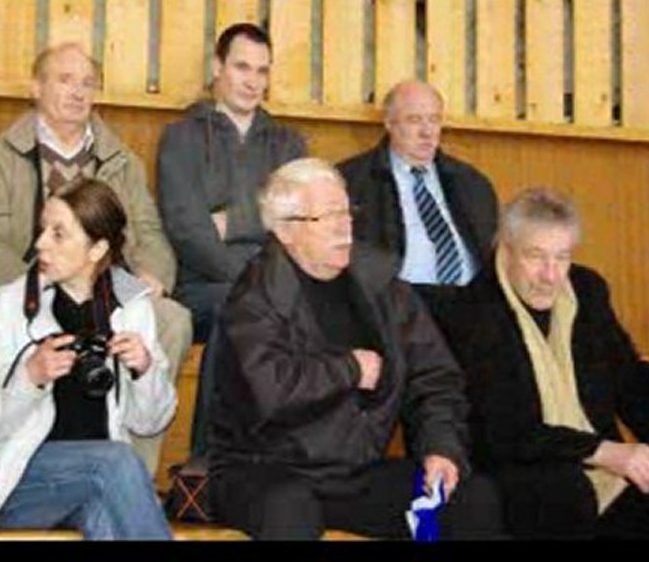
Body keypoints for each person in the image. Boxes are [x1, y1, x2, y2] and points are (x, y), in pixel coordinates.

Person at [208, 158, 503, 540]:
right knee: (290, 510)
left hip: (355, 474)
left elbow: (434, 377)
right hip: (266, 468)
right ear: (286, 230)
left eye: (346, 212)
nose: (344, 227)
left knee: (469, 500)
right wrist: (349, 369)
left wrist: (440, 447)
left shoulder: (382, 285)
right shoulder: (254, 298)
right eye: (327, 217)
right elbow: (268, 391)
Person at [0, 42, 191, 476]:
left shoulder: (122, 160)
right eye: (65, 80)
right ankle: (17, 468)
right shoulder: (1, 156)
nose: (78, 92)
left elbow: (149, 233)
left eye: (87, 83)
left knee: (171, 319)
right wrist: (43, 285)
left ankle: (135, 471)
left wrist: (153, 275)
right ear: (36, 87)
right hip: (27, 284)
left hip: (105, 285)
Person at [434, 187, 649, 539]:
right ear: (505, 250)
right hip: (517, 467)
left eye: (562, 258)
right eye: (536, 256)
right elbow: (503, 430)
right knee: (566, 493)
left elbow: (630, 382)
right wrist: (603, 451)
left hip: (598, 461)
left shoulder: (587, 290)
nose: (550, 275)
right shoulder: (472, 312)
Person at [0, 179, 174, 540]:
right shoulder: (2, 307)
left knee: (104, 502)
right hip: (11, 483)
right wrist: (29, 378)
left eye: (58, 234)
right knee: (114, 462)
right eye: (42, 229)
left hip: (97, 482)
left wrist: (145, 370)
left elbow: (149, 423)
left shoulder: (131, 307)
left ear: (97, 249)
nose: (40, 243)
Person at [156, 22, 305, 456]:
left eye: (262, 71)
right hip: (204, 288)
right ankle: (208, 461)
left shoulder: (288, 144)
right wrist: (252, 277)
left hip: (277, 284)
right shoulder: (181, 137)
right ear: (217, 67)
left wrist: (234, 221)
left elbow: (296, 220)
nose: (253, 81)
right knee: (236, 308)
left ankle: (289, 462)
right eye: (242, 67)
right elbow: (188, 230)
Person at [338, 80, 497, 321]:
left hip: (470, 306)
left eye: (434, 120)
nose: (427, 132)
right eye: (414, 120)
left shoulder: (471, 182)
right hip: (398, 309)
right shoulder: (352, 181)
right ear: (389, 123)